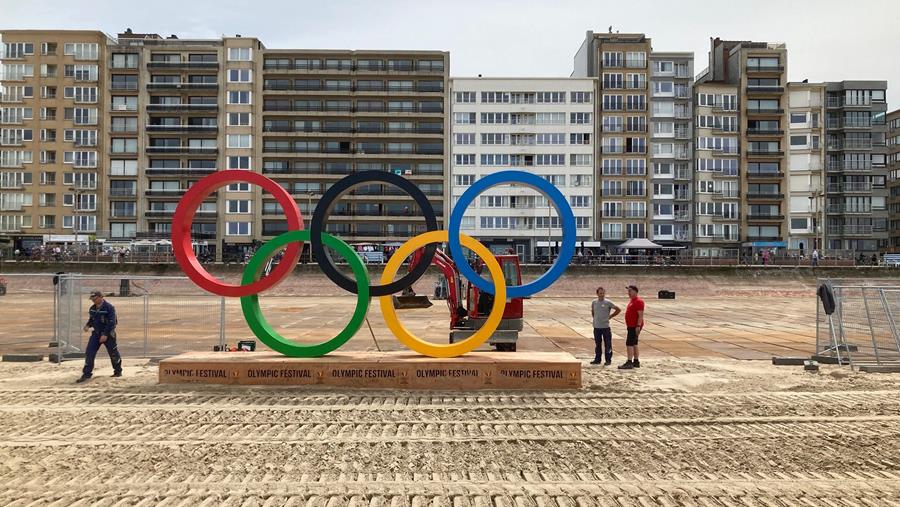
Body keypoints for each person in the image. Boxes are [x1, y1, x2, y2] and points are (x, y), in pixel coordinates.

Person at [76, 290, 122, 383]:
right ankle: (87, 373)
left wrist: (105, 334)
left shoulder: (109, 308)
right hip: (96, 334)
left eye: (95, 298)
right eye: (92, 299)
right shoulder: (92, 308)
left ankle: (118, 371)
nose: (93, 300)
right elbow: (92, 319)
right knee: (89, 352)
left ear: (101, 297)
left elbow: (112, 322)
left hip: (108, 334)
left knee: (113, 353)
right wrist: (88, 325)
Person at [590, 287, 621, 366]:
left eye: (603, 293)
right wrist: (595, 319)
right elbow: (593, 311)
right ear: (597, 294)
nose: (602, 295)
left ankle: (608, 360)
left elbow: (618, 309)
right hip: (597, 327)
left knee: (608, 344)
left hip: (605, 327)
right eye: (600, 293)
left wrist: (610, 316)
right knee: (598, 344)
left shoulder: (608, 302)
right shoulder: (594, 302)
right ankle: (597, 359)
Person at [619, 285, 645, 370]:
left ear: (635, 291)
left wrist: (638, 326)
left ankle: (629, 361)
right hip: (630, 325)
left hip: (634, 326)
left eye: (630, 291)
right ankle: (636, 361)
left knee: (629, 343)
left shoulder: (639, 301)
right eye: (628, 291)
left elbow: (640, 315)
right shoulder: (632, 301)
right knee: (634, 343)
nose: (628, 293)